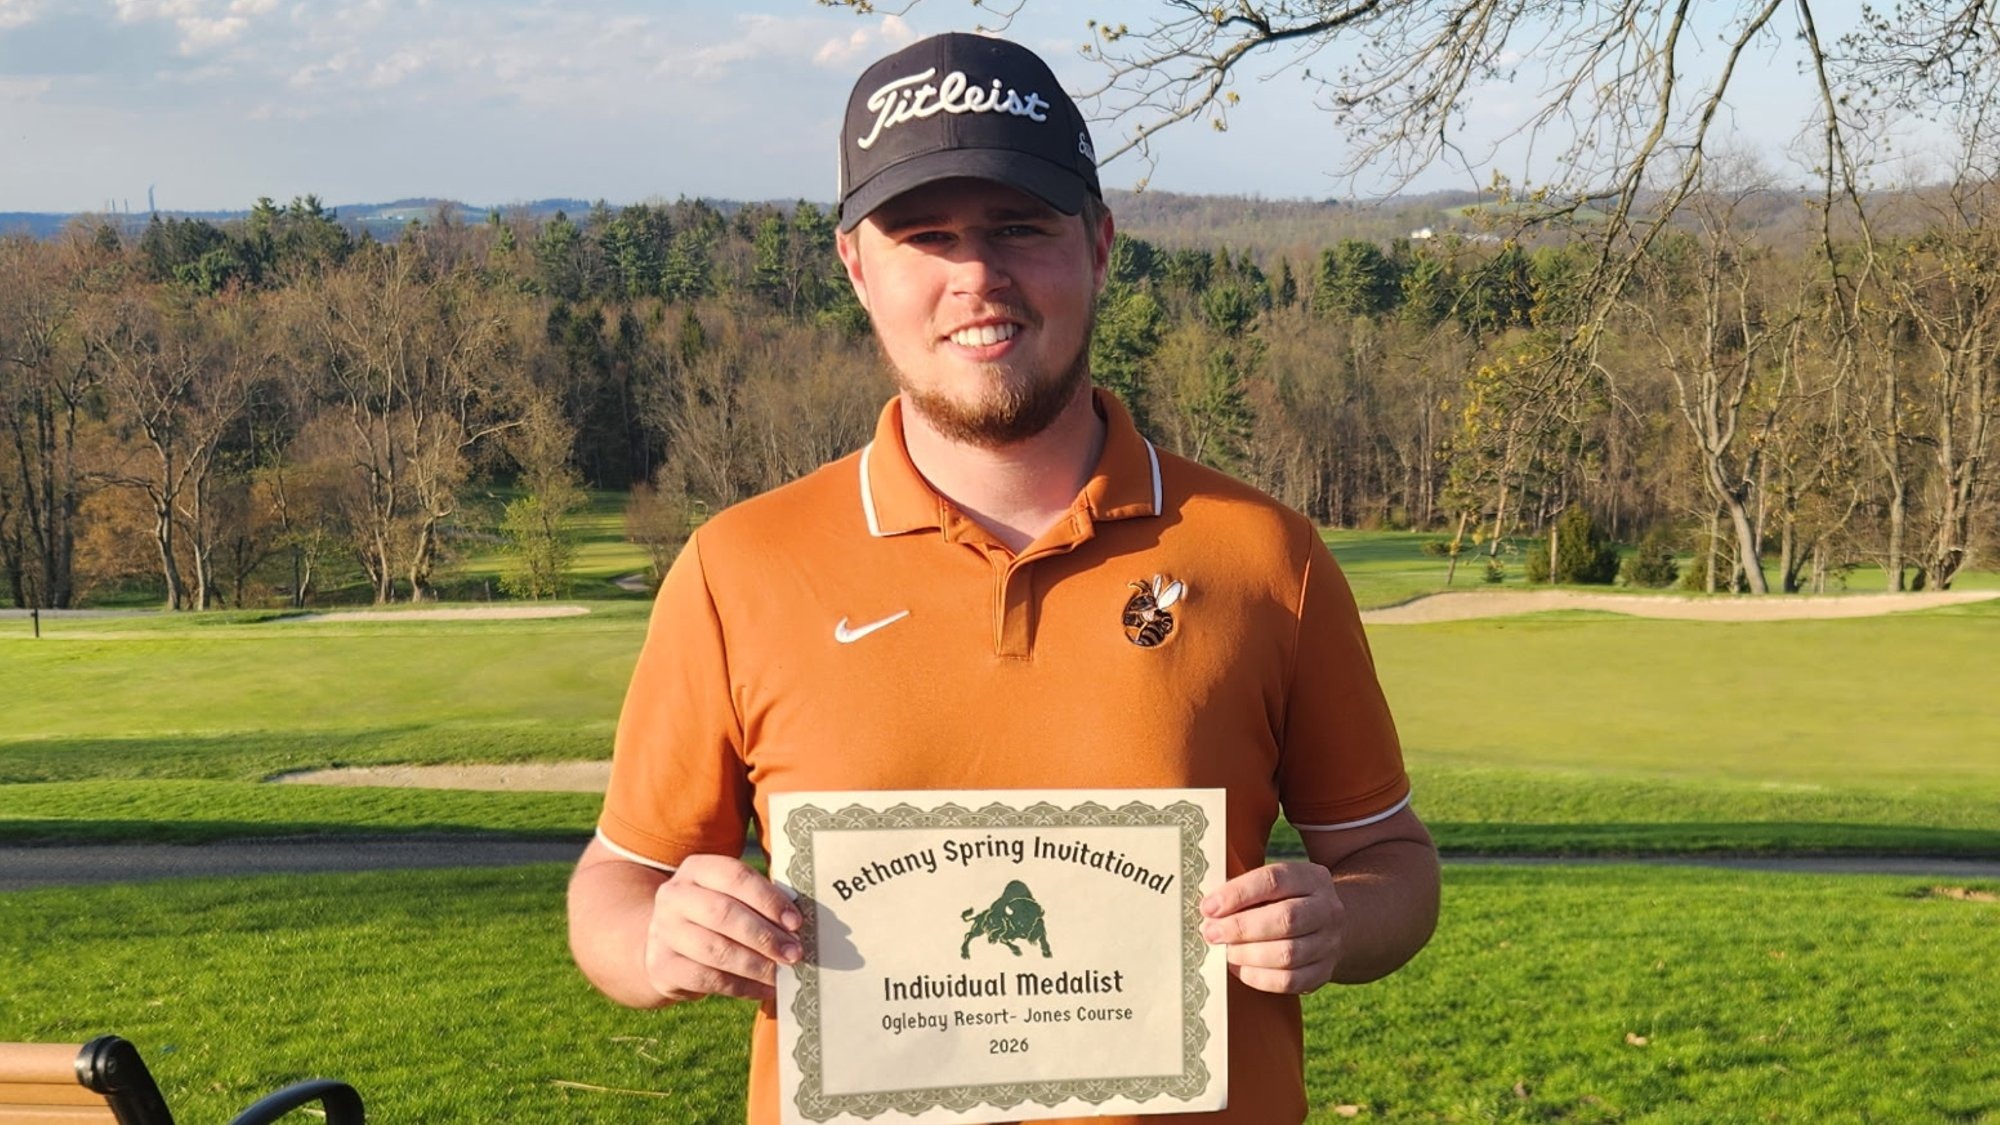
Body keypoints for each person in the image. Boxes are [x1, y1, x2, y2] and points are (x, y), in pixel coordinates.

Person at [567, 31, 1440, 1125]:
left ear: (1099, 245)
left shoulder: (1264, 555)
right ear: (855, 267)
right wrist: (656, 941)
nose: (976, 278)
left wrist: (1337, 921)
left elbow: (1393, 864)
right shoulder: (738, 568)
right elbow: (615, 884)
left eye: (1019, 229)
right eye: (924, 237)